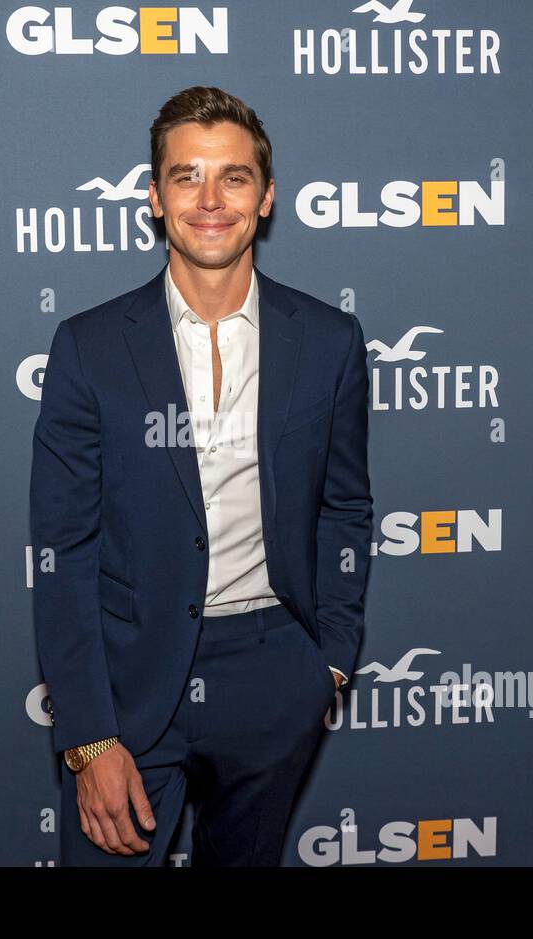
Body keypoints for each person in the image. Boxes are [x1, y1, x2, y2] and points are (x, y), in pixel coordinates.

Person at [30, 86, 372, 866]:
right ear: (154, 197)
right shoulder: (89, 347)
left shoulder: (328, 340)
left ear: (267, 195)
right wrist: (87, 738)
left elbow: (346, 505)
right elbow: (62, 552)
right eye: (187, 177)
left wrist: (328, 659)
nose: (210, 200)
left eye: (235, 177)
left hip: (274, 672)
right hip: (129, 682)